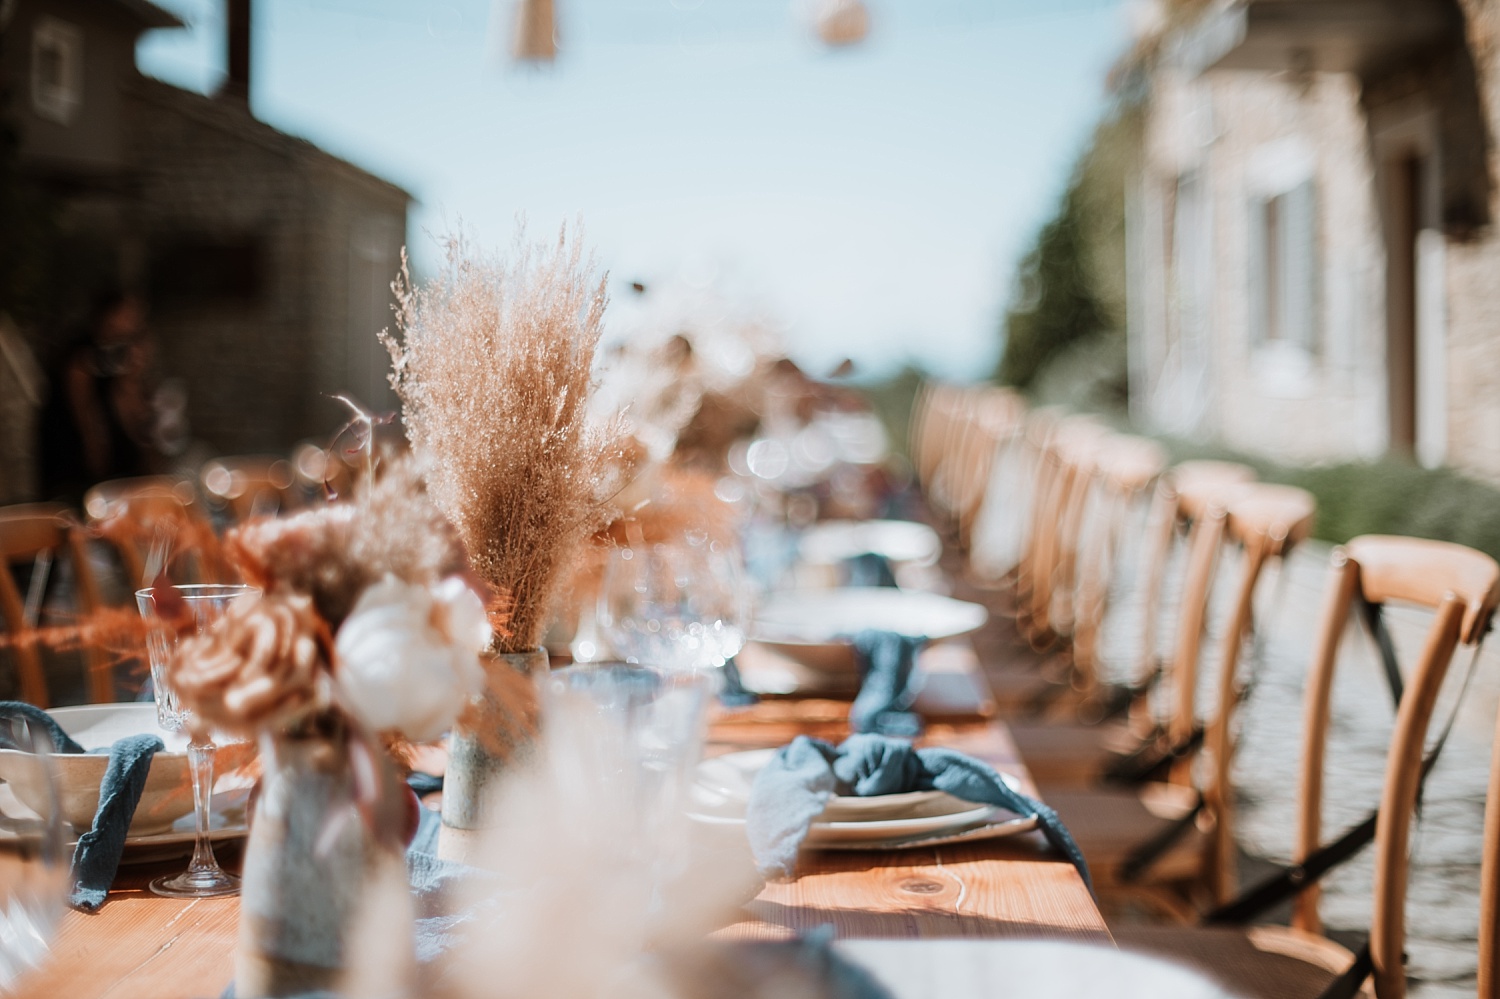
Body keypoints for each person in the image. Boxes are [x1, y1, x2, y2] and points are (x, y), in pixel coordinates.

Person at [38, 288, 158, 503]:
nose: (133, 321)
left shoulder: (118, 358)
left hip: (113, 480)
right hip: (75, 477)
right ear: (106, 316)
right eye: (127, 314)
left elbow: (138, 427)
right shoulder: (82, 357)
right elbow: (91, 434)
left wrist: (131, 381)